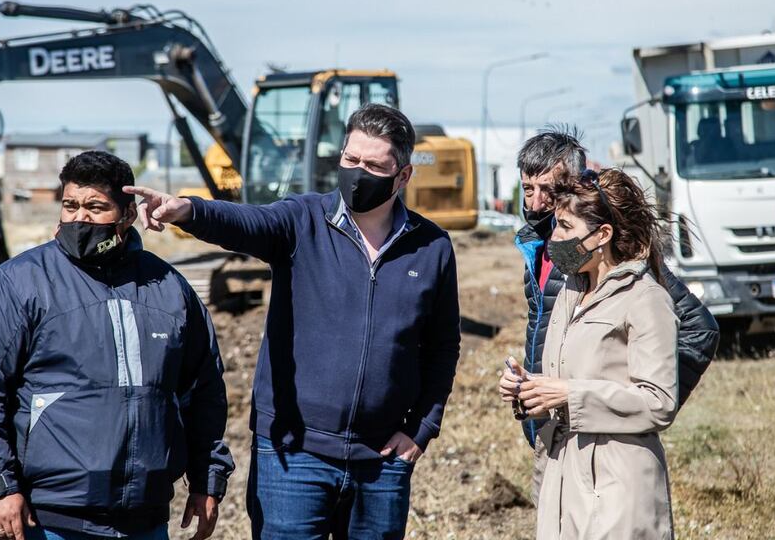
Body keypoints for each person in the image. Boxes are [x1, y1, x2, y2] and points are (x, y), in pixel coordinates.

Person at [126, 103, 461, 540]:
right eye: (350, 159)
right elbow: (246, 221)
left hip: (381, 462)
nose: (358, 172)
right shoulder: (302, 220)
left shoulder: (431, 247)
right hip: (293, 455)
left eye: (374, 165)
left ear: (403, 176)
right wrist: (188, 210)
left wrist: (421, 428)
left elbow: (442, 346)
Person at [0, 151, 234, 540]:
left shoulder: (169, 290)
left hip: (145, 519)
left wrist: (205, 477)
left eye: (96, 207)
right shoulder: (18, 284)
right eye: (70, 205)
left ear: (128, 214)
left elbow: (203, 394)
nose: (79, 218)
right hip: (48, 518)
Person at [499, 128, 719, 503]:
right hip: (551, 436)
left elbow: (699, 329)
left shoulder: (619, 259)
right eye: (527, 189)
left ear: (577, 186)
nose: (535, 204)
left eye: (547, 191)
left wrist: (637, 407)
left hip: (603, 447)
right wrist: (529, 384)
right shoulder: (536, 249)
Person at [513, 167, 679, 538]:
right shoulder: (571, 292)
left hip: (616, 481)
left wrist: (570, 395)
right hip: (559, 470)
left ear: (602, 234)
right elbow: (566, 376)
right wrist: (530, 389)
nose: (553, 237)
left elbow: (659, 402)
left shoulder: (645, 298)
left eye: (565, 228)